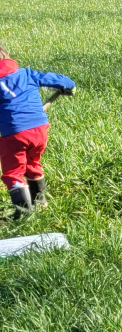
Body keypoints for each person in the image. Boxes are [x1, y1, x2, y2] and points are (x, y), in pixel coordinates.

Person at [0, 47, 75, 215]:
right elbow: (58, 80)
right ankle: (40, 203)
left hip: (14, 134)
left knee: (13, 172)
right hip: (39, 129)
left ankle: (24, 214)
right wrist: (70, 86)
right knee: (32, 162)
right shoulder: (26, 74)